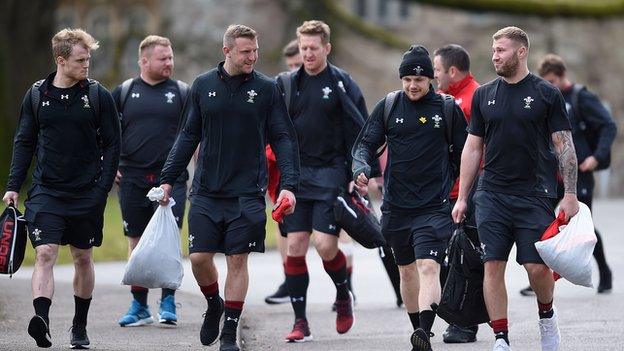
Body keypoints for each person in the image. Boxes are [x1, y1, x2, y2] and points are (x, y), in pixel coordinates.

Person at [157, 24, 299, 351]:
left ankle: (229, 333)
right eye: (245, 52)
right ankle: (213, 304)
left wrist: (289, 186)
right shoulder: (203, 85)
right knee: (199, 258)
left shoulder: (266, 89)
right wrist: (167, 178)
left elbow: (284, 139)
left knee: (238, 260)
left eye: (255, 51)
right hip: (207, 191)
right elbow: (187, 135)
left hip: (247, 193)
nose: (253, 57)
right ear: (227, 51)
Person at [452, 27, 579, 351]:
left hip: (534, 194)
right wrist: (463, 197)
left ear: (521, 52)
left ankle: (547, 317)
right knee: (493, 264)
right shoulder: (484, 95)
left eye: (502, 50)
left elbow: (564, 146)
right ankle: (501, 337)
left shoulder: (546, 94)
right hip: (491, 194)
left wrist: (570, 194)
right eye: (494, 50)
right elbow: (472, 148)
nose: (495, 55)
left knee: (537, 268)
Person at [3, 28, 120, 349]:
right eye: (81, 60)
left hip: (87, 193)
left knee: (83, 257)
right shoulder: (37, 95)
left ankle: (79, 326)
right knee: (44, 253)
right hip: (46, 192)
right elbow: (24, 141)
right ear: (61, 60)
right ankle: (41, 319)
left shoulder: (98, 96)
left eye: (88, 59)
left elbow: (113, 145)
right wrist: (14, 185)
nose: (87, 65)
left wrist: (102, 190)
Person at [352, 44, 467, 351]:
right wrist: (362, 167)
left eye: (419, 80)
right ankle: (418, 331)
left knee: (428, 266)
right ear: (401, 80)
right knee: (405, 270)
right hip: (396, 207)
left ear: (430, 79)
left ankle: (425, 333)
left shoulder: (447, 109)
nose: (413, 85)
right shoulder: (389, 106)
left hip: (434, 206)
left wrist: (461, 192)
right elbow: (364, 145)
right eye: (407, 80)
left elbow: (467, 154)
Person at [278, 20, 376, 342]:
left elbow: (362, 132)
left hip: (331, 174)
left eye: (313, 48)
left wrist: (357, 174)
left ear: (327, 48)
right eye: (303, 47)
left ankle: (342, 293)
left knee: (324, 245)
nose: (307, 53)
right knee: (294, 246)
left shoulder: (341, 83)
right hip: (296, 176)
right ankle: (300, 321)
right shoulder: (289, 84)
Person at [517, 54, 616, 296]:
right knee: (543, 224)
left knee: (582, 224)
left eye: (552, 81)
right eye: (546, 81)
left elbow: (608, 126)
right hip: (551, 175)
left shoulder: (581, 97)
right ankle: (539, 277)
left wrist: (596, 156)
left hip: (579, 172)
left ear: (562, 77)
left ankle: (604, 270)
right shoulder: (546, 99)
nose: (549, 86)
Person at [112, 35, 189, 327]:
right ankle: (139, 305)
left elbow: (194, 135)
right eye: (163, 58)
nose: (169, 62)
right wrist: (110, 164)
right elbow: (104, 134)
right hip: (132, 179)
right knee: (137, 242)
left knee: (169, 240)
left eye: (171, 57)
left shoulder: (183, 92)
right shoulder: (123, 92)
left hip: (173, 180)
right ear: (144, 61)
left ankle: (168, 302)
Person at [433, 44, 481, 344]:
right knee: (445, 256)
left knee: (463, 258)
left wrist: (466, 194)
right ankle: (458, 318)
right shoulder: (447, 99)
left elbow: (477, 150)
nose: (434, 75)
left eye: (436, 70)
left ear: (452, 71)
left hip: (466, 193)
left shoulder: (473, 98)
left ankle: (465, 323)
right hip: (446, 191)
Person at [264, 38, 303, 305]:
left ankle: (343, 286)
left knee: (330, 236)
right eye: (290, 65)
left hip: (317, 166)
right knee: (283, 224)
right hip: (282, 166)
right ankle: (289, 280)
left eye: (297, 64)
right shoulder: (282, 86)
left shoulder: (329, 85)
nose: (294, 70)